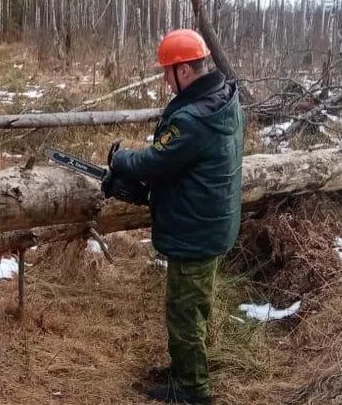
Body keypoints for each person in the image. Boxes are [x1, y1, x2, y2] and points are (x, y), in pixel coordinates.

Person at [101, 28, 244, 405]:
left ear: (185, 70)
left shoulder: (193, 119)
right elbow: (186, 166)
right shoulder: (224, 99)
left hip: (195, 232)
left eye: (168, 71)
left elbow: (155, 160)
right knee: (194, 307)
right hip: (212, 222)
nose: (165, 79)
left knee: (183, 314)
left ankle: (192, 389)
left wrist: (119, 160)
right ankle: (186, 369)